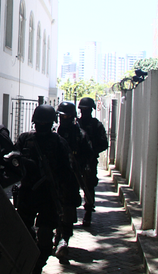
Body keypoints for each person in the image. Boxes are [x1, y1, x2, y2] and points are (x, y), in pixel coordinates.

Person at [14, 105, 81, 274]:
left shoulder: (59, 143)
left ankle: (36, 268)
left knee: (44, 238)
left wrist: (72, 197)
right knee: (21, 235)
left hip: (49, 197)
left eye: (44, 123)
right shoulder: (25, 139)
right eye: (39, 122)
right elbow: (13, 163)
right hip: (27, 195)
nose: (41, 126)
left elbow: (68, 172)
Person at [55, 101, 94, 257]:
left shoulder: (80, 135)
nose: (63, 118)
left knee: (69, 209)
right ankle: (55, 237)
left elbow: (89, 153)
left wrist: (79, 165)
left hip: (71, 178)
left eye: (66, 116)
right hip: (55, 177)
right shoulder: (54, 133)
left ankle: (64, 239)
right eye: (61, 116)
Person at [77, 97, 108, 226]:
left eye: (87, 110)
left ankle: (88, 212)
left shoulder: (96, 125)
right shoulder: (75, 125)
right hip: (76, 160)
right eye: (83, 110)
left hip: (89, 160)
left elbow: (104, 143)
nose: (85, 112)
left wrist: (92, 151)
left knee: (89, 187)